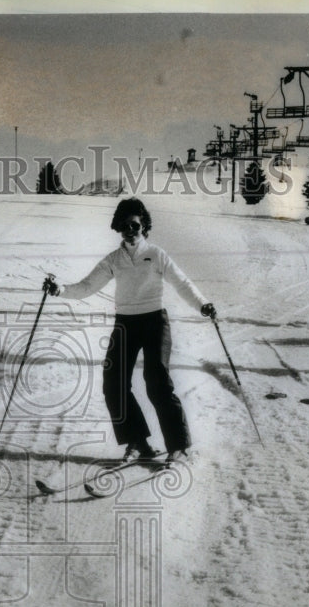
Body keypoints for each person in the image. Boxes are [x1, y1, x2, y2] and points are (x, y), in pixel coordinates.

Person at [43, 198, 215, 466]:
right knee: (113, 382)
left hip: (155, 321)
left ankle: (179, 446)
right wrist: (60, 290)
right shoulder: (114, 260)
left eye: (134, 224)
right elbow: (87, 286)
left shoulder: (156, 254)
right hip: (126, 323)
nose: (130, 230)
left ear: (143, 225)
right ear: (118, 228)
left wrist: (202, 304)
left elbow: (181, 282)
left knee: (156, 380)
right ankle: (137, 442)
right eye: (124, 225)